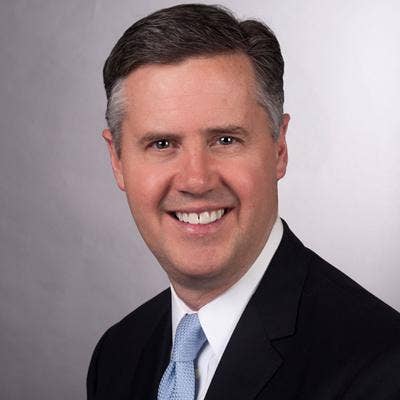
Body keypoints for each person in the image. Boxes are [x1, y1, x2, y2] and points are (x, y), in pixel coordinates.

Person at [87, 4, 400, 399]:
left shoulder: (381, 368)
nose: (196, 180)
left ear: (279, 148)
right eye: (162, 144)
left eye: (225, 140)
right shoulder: (118, 355)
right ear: (117, 160)